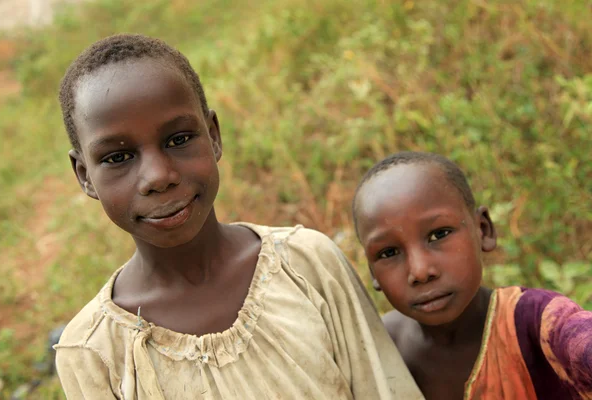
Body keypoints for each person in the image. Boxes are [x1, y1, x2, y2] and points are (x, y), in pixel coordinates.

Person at [53, 34, 422, 400]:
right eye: (118, 158)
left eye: (178, 139)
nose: (158, 177)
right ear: (85, 174)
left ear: (213, 136)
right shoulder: (93, 351)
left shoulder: (308, 265)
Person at [352, 151, 592, 400]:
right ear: (373, 272)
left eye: (439, 234)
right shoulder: (376, 350)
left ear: (483, 230)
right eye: (388, 252)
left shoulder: (536, 323)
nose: (420, 272)